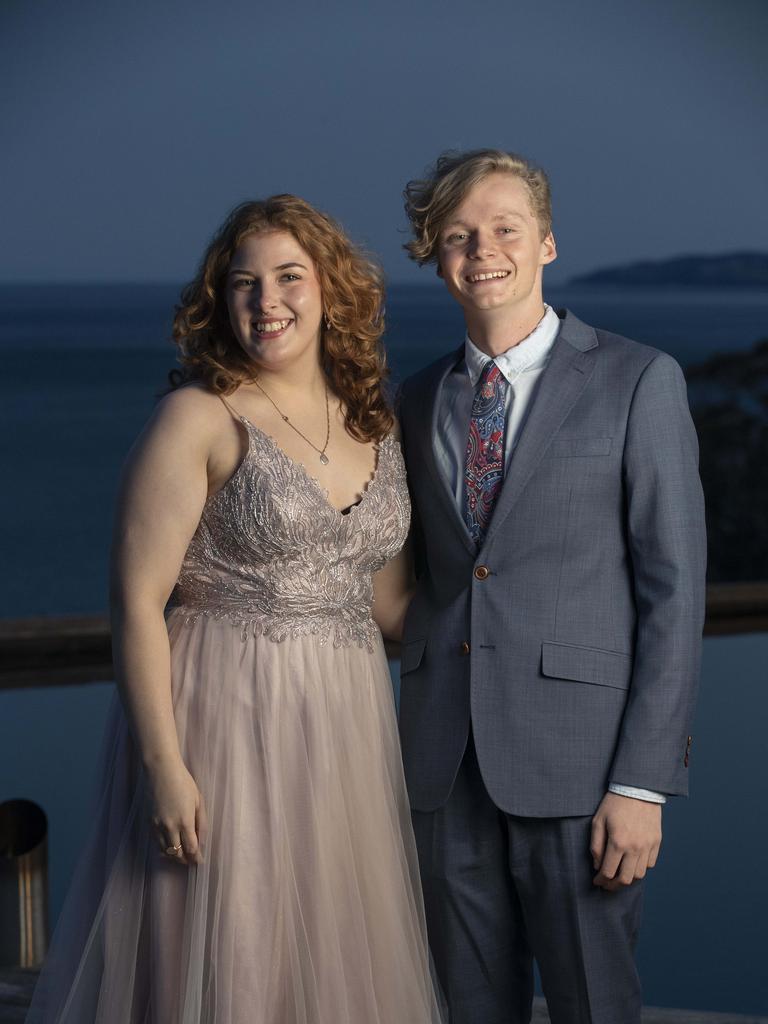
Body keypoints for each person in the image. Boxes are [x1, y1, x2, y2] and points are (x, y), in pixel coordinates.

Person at [26, 195, 442, 1023]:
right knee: (229, 944)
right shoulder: (197, 416)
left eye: (290, 277)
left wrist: (521, 617)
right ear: (221, 300)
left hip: (345, 727)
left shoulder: (378, 423)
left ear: (332, 290)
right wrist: (164, 767)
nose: (267, 301)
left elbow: (393, 606)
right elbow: (137, 600)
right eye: (244, 283)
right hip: (220, 719)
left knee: (330, 951)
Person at [396, 150, 707, 1024]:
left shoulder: (636, 379)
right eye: (457, 236)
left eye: (504, 230)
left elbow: (673, 591)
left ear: (547, 243)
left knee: (592, 1004)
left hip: (582, 768)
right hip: (442, 762)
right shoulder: (415, 400)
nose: (481, 250)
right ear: (435, 255)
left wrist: (642, 784)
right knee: (464, 1005)